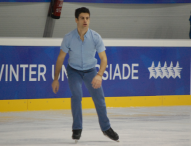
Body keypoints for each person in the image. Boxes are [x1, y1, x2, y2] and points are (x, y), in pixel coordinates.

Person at [52, 7, 119, 142]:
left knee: (100, 99)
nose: (85, 21)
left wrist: (99, 75)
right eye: (82, 18)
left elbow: (104, 58)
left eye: (87, 18)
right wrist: (56, 79)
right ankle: (77, 128)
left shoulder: (95, 37)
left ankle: (106, 128)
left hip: (90, 71)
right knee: (77, 95)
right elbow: (60, 58)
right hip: (74, 71)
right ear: (76, 20)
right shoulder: (69, 38)